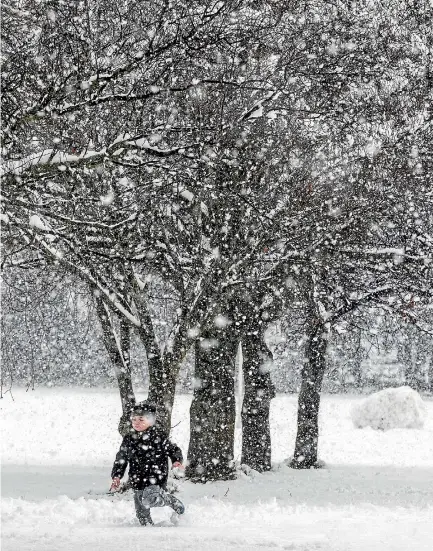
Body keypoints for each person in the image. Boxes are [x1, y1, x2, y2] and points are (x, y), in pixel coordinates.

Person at [110, 401, 185, 526]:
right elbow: (121, 458)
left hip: (156, 476)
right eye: (134, 420)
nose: (136, 423)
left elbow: (174, 450)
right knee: (141, 508)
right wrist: (117, 475)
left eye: (141, 419)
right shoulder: (129, 439)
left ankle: (171, 501)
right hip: (137, 478)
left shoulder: (158, 437)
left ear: (151, 420)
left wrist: (176, 461)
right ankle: (147, 526)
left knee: (151, 499)